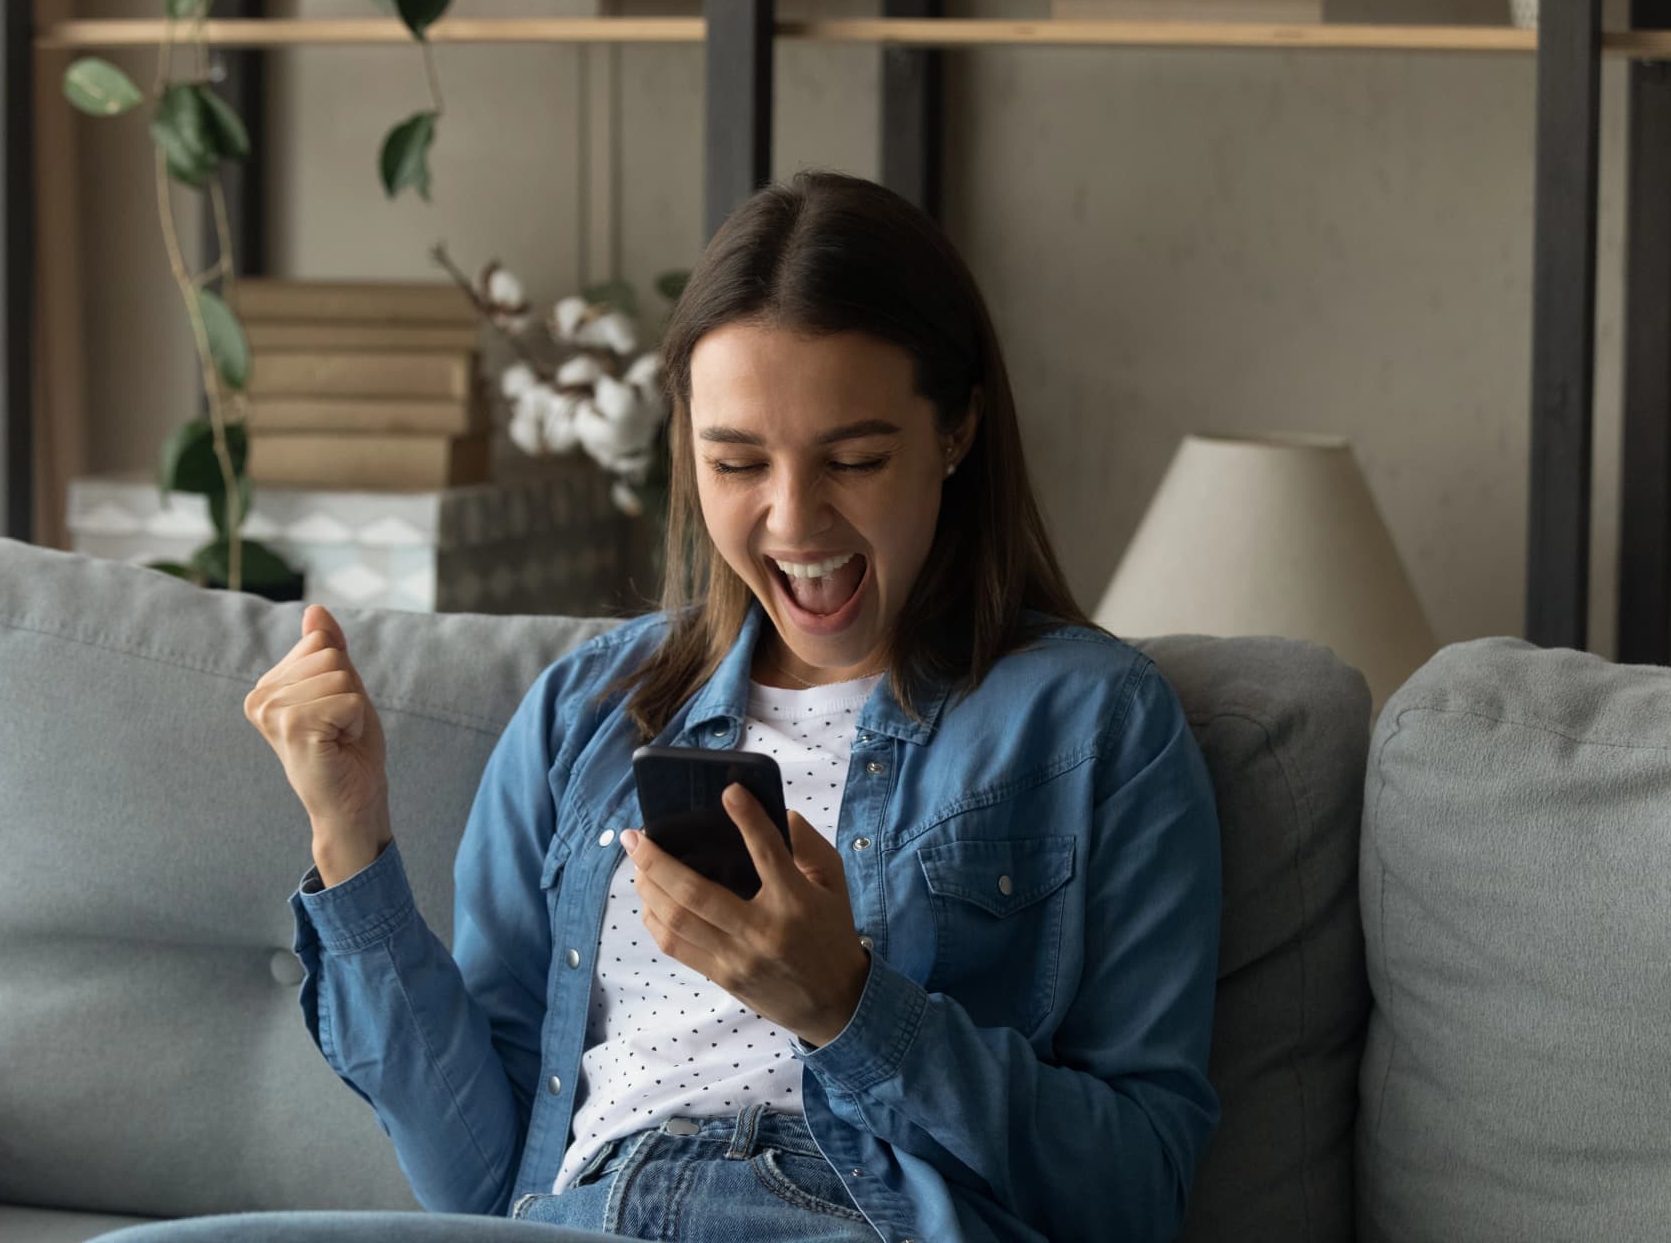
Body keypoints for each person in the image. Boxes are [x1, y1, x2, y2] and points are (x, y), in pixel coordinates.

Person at [99, 169, 1221, 1243]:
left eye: (857, 458)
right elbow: (478, 1176)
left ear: (957, 430)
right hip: (580, 1217)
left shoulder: (1091, 725)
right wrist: (349, 831)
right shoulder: (588, 713)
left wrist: (848, 1003)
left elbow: (1136, 1191)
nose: (793, 520)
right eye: (737, 463)